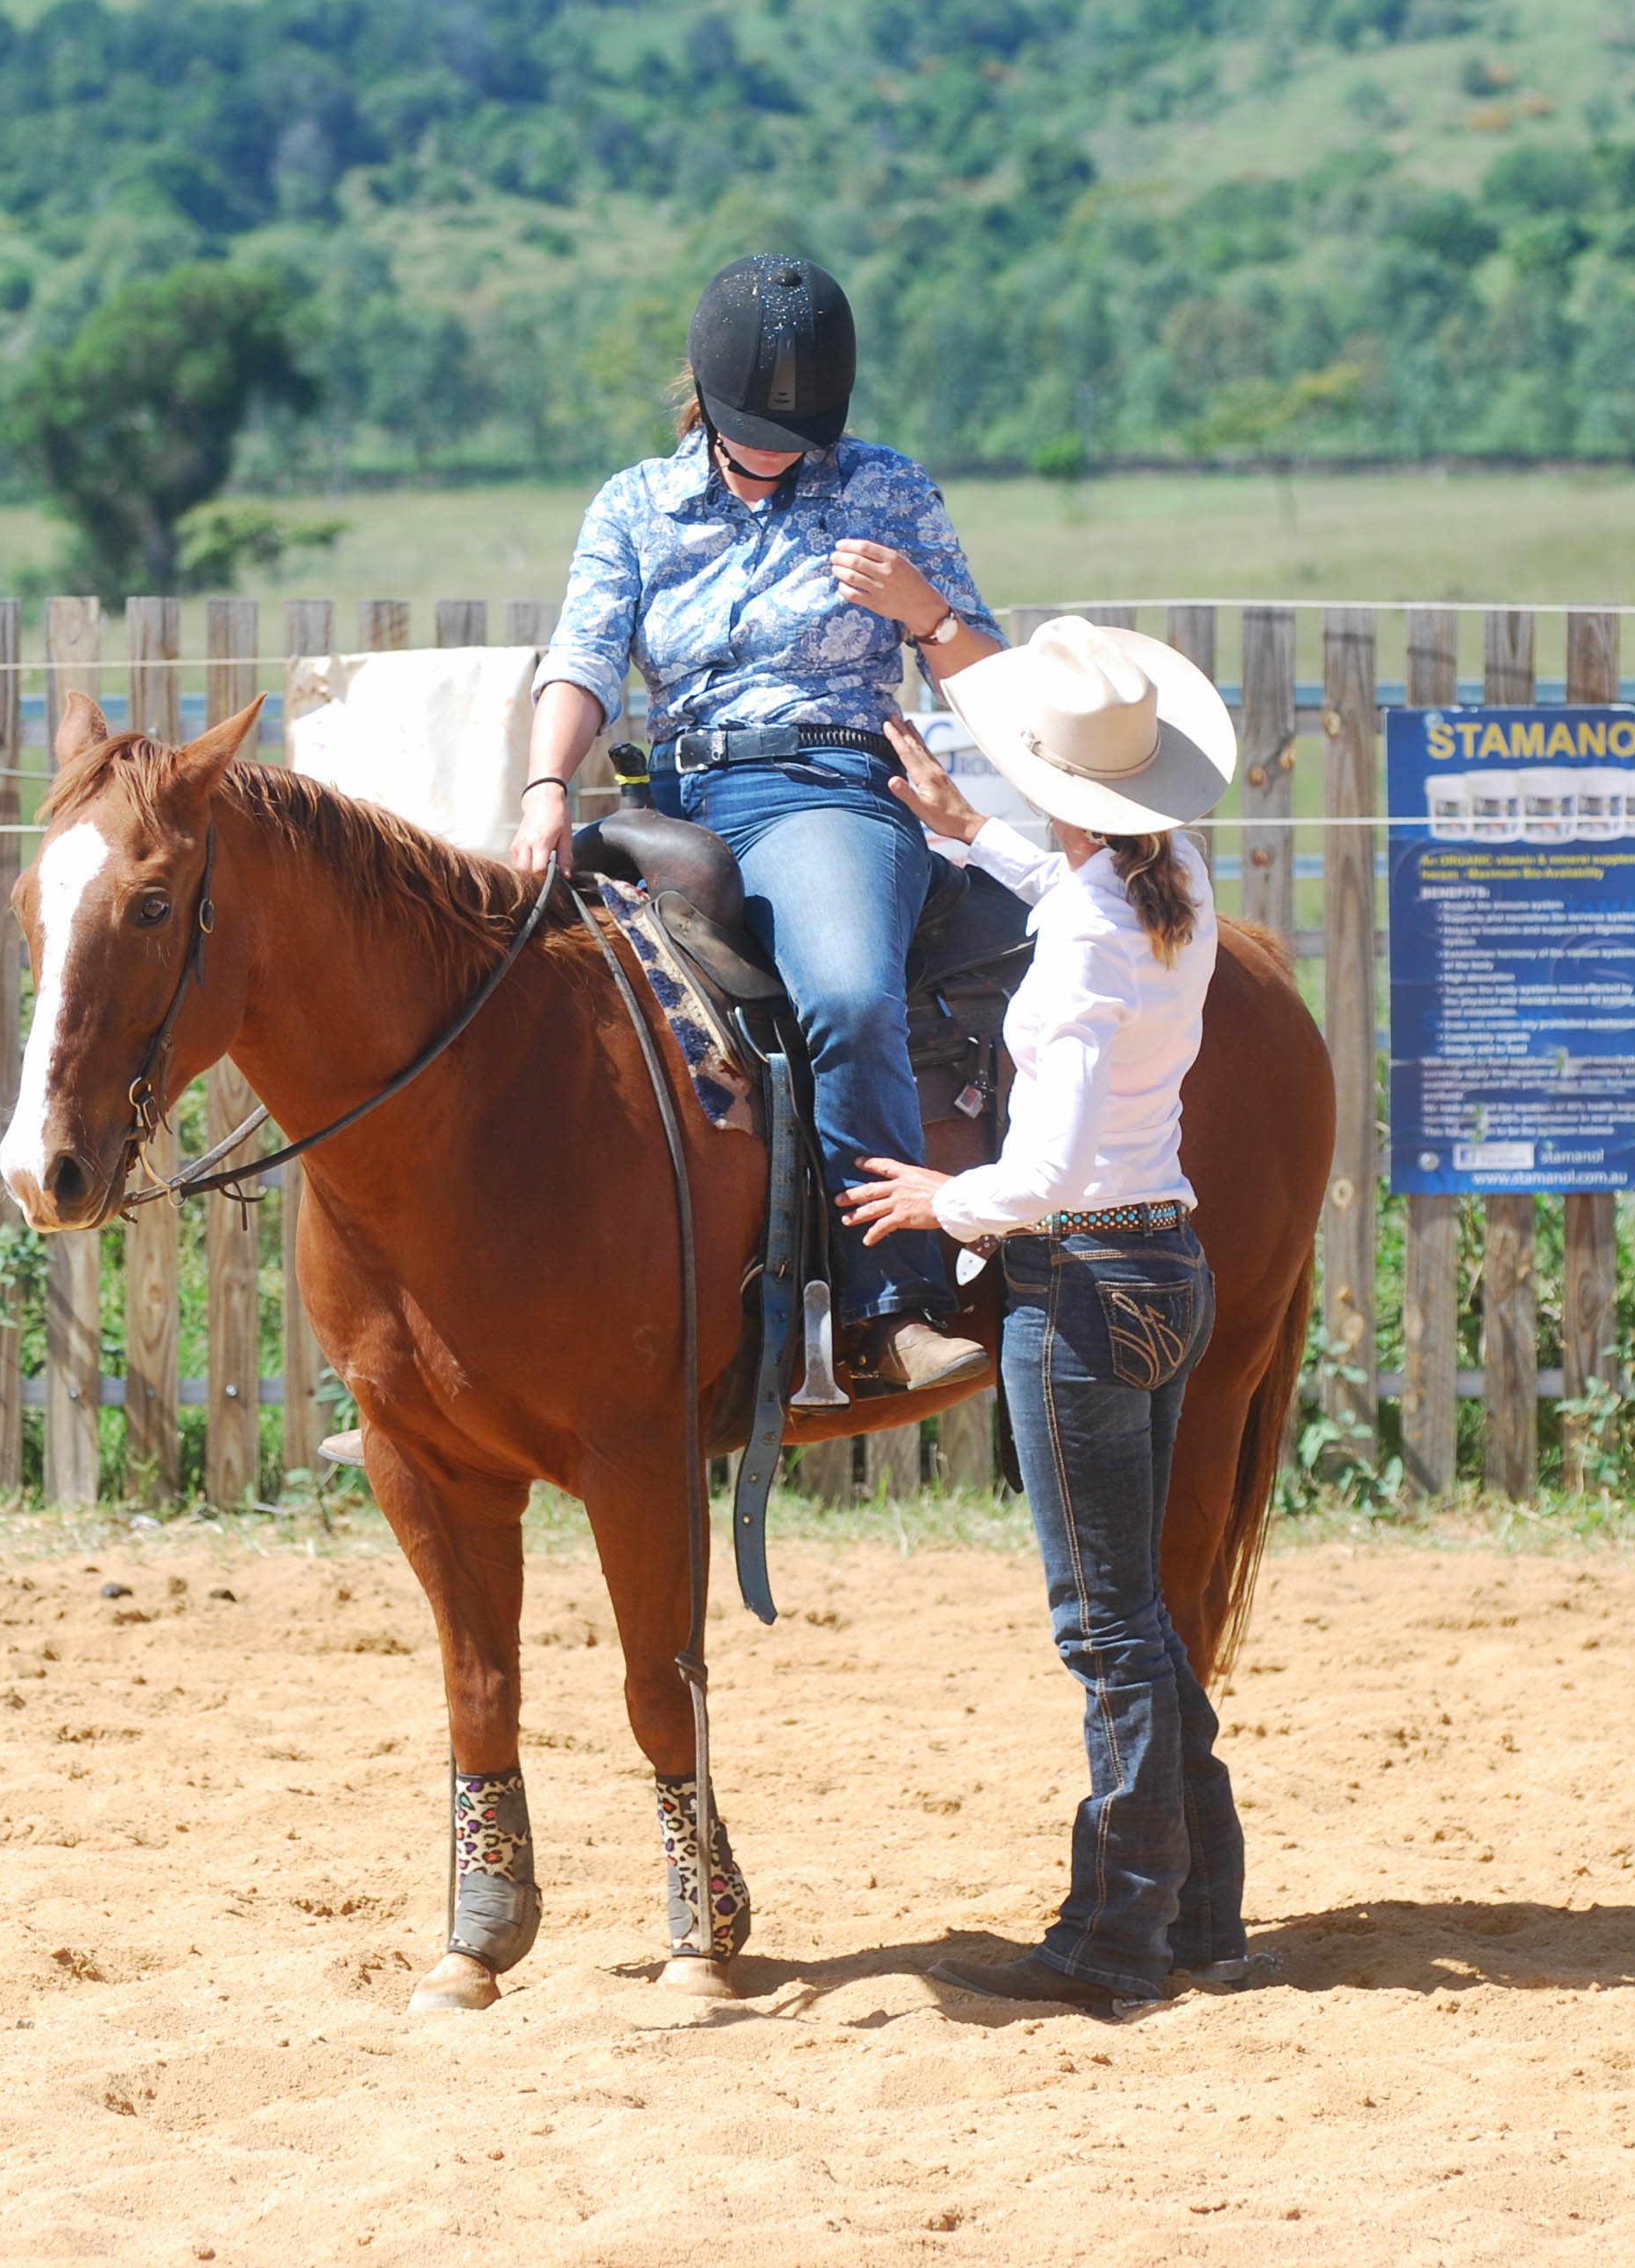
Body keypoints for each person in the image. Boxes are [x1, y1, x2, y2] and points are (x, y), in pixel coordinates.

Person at [837, 615, 1243, 2012]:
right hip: (1169, 1264)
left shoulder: (1080, 953)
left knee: (1105, 1624)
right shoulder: (1167, 874)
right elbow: (1070, 891)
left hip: (1075, 1283)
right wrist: (970, 835)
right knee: (1142, 1612)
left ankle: (1118, 1932)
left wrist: (933, 1201)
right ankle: (1201, 1909)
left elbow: (1048, 1173)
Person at [515, 253, 1001, 1392]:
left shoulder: (889, 490)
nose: (780, 453)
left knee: (841, 992)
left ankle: (894, 1305)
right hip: (667, 801)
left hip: (825, 793)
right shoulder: (633, 505)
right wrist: (545, 789)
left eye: (799, 432)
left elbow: (988, 675)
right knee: (496, 985)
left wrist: (925, 614)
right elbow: (582, 661)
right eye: (755, 430)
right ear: (705, 397)